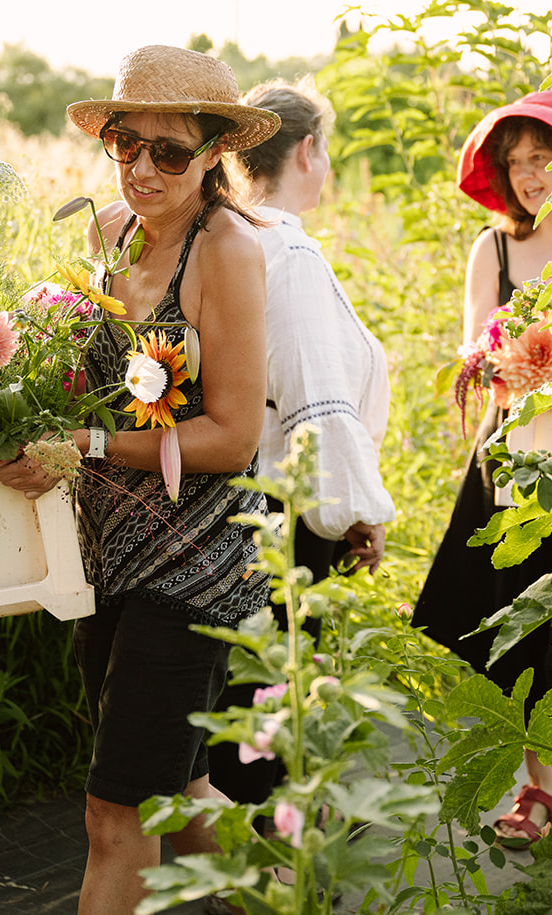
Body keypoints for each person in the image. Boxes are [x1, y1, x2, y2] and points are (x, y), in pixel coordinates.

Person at [0, 44, 280, 915]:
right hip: (109, 554)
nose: (143, 167)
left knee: (115, 813)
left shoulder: (226, 250)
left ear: (215, 154)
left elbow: (233, 436)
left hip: (196, 566)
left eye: (170, 151)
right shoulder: (109, 233)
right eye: (127, 144)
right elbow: (92, 379)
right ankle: (300, 897)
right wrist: (14, 410)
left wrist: (81, 444)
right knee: (178, 788)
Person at [412, 91, 552, 847]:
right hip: (517, 466)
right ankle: (535, 782)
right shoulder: (493, 249)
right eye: (517, 162)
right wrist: (505, 362)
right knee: (524, 626)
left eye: (542, 157)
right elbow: (473, 350)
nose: (530, 175)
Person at [206, 78, 398, 812]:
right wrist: (355, 509)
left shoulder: (224, 236)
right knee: (272, 706)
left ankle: (237, 863)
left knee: (239, 701)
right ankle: (281, 868)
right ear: (309, 150)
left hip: (219, 505)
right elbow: (317, 397)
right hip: (280, 513)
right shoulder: (288, 251)